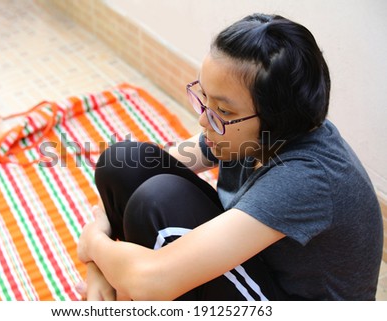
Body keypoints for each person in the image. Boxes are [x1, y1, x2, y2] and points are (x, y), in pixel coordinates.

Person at [76, 13, 383, 300]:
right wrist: (100, 270)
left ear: (276, 120)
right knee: (124, 163)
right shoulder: (245, 134)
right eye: (204, 98)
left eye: (223, 111)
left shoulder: (306, 179)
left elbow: (150, 280)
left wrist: (95, 245)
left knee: (158, 200)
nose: (203, 121)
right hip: (259, 268)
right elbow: (137, 175)